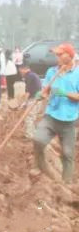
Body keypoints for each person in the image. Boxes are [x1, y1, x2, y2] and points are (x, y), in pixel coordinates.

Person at [32, 43, 79, 183]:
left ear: (70, 56)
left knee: (68, 154)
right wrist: (41, 95)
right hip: (51, 116)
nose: (56, 57)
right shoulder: (51, 72)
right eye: (56, 54)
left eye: (60, 54)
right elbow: (45, 90)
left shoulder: (77, 73)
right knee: (38, 140)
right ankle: (42, 167)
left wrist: (65, 93)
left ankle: (66, 183)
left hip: (69, 120)